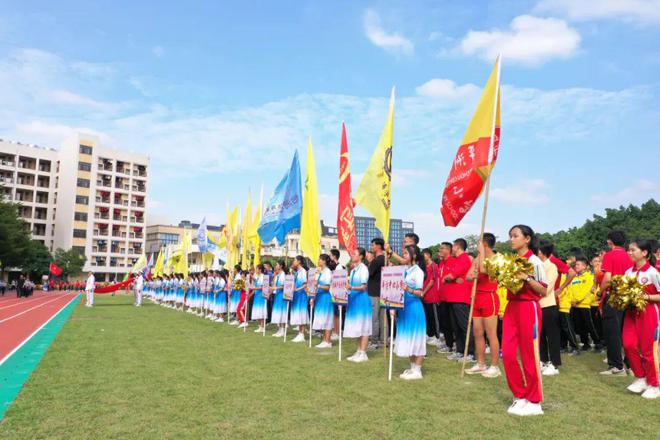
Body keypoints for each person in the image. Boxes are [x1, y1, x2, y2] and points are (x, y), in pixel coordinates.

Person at [502, 225, 547, 417]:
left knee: (529, 354)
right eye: (510, 236)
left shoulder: (535, 261)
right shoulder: (511, 261)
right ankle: (520, 395)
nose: (512, 239)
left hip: (529, 308)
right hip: (512, 308)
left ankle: (535, 401)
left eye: (515, 236)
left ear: (526, 239)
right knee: (509, 354)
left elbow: (544, 290)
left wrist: (527, 278)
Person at [621, 239, 660, 399]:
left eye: (633, 250)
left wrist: (647, 296)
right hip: (631, 313)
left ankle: (655, 384)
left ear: (644, 253)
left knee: (648, 350)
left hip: (649, 313)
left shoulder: (653, 272)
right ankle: (641, 377)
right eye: (629, 250)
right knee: (628, 344)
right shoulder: (628, 273)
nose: (629, 252)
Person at [465, 233, 501, 378]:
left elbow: (486, 270)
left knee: (491, 333)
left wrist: (481, 255)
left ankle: (494, 365)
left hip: (489, 296)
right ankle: (481, 363)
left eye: (479, 243)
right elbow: (467, 276)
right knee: (477, 332)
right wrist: (471, 275)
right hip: (477, 297)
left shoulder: (496, 258)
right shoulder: (477, 259)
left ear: (485, 244)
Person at [600, 230, 634, 375]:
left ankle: (616, 366)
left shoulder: (609, 255)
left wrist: (598, 292)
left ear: (610, 242)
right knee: (625, 331)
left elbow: (607, 278)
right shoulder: (630, 256)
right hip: (629, 297)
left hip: (614, 297)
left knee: (612, 332)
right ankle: (629, 364)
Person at [396, 245, 427, 380]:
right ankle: (413, 366)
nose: (404, 256)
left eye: (406, 254)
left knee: (417, 337)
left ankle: (418, 370)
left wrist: (408, 289)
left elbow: (420, 293)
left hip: (414, 308)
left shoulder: (418, 271)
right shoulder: (405, 270)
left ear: (413, 256)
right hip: (404, 308)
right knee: (408, 337)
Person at [444, 238, 473, 362]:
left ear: (457, 246)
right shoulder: (457, 259)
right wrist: (450, 278)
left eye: (454, 247)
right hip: (453, 297)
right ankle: (460, 350)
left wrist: (450, 278)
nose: (452, 249)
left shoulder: (464, 258)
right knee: (456, 326)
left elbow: (450, 276)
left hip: (461, 298)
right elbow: (449, 276)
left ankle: (471, 353)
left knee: (464, 326)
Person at [537, 240, 562, 376]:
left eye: (538, 251)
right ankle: (544, 360)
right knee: (540, 335)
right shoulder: (536, 267)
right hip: (538, 306)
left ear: (542, 252)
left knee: (552, 336)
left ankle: (554, 363)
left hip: (548, 305)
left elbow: (546, 289)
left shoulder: (551, 267)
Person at [345, 248, 371, 363]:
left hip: (362, 301)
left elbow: (364, 286)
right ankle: (358, 350)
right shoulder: (354, 269)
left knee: (364, 327)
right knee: (357, 327)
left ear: (361, 256)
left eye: (355, 254)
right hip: (354, 300)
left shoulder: (363, 269)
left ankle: (363, 353)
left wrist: (352, 288)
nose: (353, 255)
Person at [570, 257, 602, 351]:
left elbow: (587, 290)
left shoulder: (589, 277)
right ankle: (585, 344)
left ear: (585, 266)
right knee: (580, 326)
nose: (576, 266)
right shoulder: (574, 277)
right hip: (575, 305)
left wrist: (578, 300)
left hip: (584, 305)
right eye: (576, 265)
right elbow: (571, 290)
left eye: (578, 264)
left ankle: (598, 343)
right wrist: (573, 300)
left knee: (589, 325)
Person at [312, 254, 336, 348]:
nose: (318, 261)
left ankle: (328, 341)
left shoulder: (327, 272)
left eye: (320, 260)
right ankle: (324, 340)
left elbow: (327, 287)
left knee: (327, 319)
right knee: (321, 319)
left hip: (325, 297)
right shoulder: (321, 272)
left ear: (325, 261)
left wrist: (317, 285)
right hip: (319, 297)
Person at [436, 242, 454, 354]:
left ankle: (454, 345)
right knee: (445, 323)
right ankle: (448, 344)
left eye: (442, 248)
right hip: (442, 297)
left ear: (448, 250)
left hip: (450, 298)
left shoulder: (452, 261)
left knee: (453, 323)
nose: (440, 250)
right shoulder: (441, 263)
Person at [368, 238, 386, 349]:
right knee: (382, 317)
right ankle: (383, 340)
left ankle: (374, 340)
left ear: (379, 246)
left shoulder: (378, 260)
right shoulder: (384, 259)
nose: (372, 247)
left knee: (374, 317)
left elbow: (368, 274)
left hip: (375, 292)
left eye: (373, 245)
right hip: (382, 291)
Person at [421, 249, 441, 347]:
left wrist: (424, 292)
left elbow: (432, 281)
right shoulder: (424, 267)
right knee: (427, 316)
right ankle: (430, 334)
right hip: (424, 296)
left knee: (434, 317)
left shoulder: (433, 266)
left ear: (428, 255)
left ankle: (437, 336)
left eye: (423, 255)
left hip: (431, 295)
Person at [290, 256, 309, 342]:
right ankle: (300, 333)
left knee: (302, 314)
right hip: (297, 296)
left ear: (299, 261)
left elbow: (305, 284)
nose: (293, 262)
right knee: (298, 315)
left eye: (294, 260)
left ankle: (302, 334)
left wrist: (296, 289)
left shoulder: (303, 272)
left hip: (301, 296)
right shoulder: (297, 272)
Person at [271, 260, 288, 337]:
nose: (276, 265)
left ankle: (283, 330)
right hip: (277, 295)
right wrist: (274, 276)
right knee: (278, 313)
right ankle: (280, 329)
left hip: (281, 295)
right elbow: (273, 284)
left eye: (277, 264)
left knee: (282, 312)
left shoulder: (283, 275)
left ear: (281, 266)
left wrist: (275, 287)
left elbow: (282, 286)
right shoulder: (278, 275)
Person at [330, 249, 344, 341]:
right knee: (335, 314)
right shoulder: (334, 267)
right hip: (333, 293)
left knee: (337, 314)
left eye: (330, 255)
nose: (329, 257)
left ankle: (338, 332)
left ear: (334, 256)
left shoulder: (339, 267)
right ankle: (335, 331)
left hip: (337, 294)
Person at [250, 264, 268, 333]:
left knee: (261, 310)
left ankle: (263, 326)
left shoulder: (263, 276)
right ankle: (260, 326)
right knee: (258, 311)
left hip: (261, 296)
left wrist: (253, 288)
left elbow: (262, 287)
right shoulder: (259, 276)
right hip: (257, 295)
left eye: (257, 269)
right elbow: (257, 282)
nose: (256, 270)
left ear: (260, 270)